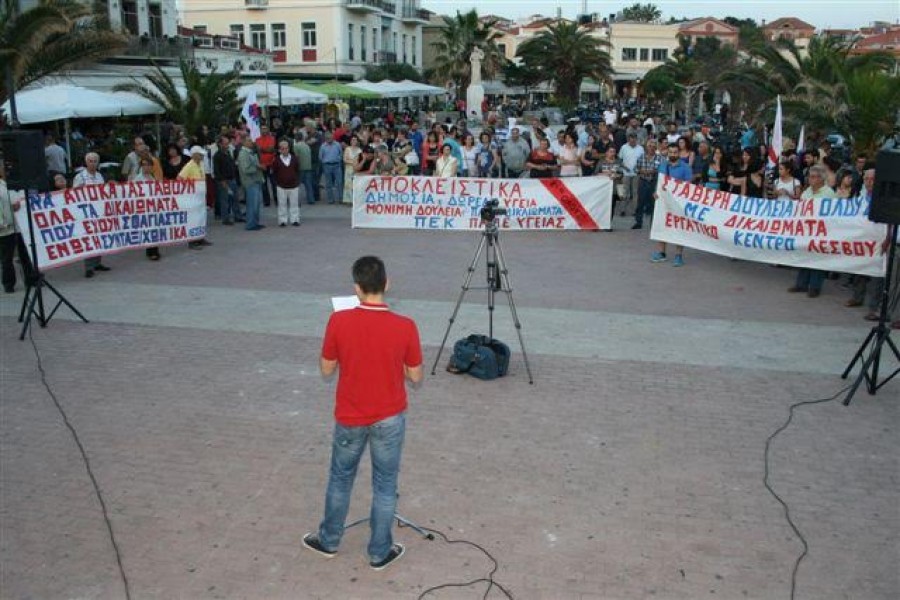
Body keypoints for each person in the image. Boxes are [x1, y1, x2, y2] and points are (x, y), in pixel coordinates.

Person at [303, 256, 423, 571]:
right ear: (387, 284)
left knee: (340, 479)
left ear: (356, 288)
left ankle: (328, 541)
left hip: (350, 416)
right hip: (389, 416)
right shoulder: (405, 326)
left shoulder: (339, 321)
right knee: (385, 484)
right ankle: (379, 551)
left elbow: (327, 369)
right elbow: (416, 377)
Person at [789, 165, 835, 298]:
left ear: (821, 179)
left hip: (821, 230)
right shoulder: (807, 192)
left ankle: (815, 287)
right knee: (805, 256)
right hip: (806, 230)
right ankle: (801, 284)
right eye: (810, 176)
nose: (811, 179)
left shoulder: (829, 193)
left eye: (814, 177)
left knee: (817, 258)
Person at [651, 145, 693, 266]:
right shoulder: (663, 165)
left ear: (679, 153)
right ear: (668, 153)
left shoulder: (686, 168)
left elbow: (688, 186)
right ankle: (661, 253)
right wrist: (656, 192)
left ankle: (678, 255)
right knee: (662, 225)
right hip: (663, 200)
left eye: (675, 152)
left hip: (678, 203)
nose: (673, 154)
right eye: (671, 152)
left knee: (679, 228)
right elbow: (659, 182)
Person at [73, 152, 111, 276]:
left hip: (99, 211)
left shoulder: (100, 176)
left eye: (95, 161)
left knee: (99, 237)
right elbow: (73, 194)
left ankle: (97, 262)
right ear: (86, 162)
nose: (93, 163)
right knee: (89, 238)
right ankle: (88, 267)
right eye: (90, 161)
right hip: (87, 212)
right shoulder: (80, 177)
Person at [0, 161, 35, 293]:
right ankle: (8, 284)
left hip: (21, 226)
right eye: (5, 169)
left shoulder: (18, 185)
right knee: (7, 258)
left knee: (25, 254)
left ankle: (31, 279)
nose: (8, 171)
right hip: (6, 227)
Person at [178, 146, 214, 248]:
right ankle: (192, 241)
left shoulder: (200, 164)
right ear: (194, 155)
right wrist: (189, 188)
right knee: (193, 218)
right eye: (200, 154)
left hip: (200, 196)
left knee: (201, 217)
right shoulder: (189, 165)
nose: (202, 156)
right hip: (192, 197)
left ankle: (200, 237)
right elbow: (180, 178)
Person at [132, 157, 162, 260]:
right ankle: (152, 252)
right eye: (144, 165)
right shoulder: (138, 178)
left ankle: (153, 250)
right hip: (144, 208)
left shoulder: (152, 177)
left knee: (154, 229)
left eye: (148, 165)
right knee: (148, 229)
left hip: (152, 207)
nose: (146, 167)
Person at [237, 138, 266, 231]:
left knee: (256, 204)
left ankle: (255, 222)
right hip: (250, 182)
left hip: (256, 180)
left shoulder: (250, 152)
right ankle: (250, 224)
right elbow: (245, 169)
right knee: (252, 204)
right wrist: (258, 167)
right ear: (244, 142)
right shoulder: (243, 154)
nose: (251, 142)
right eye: (249, 141)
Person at [272, 139, 302, 227]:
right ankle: (282, 220)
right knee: (282, 204)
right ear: (279, 150)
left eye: (286, 148)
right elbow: (274, 172)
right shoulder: (276, 160)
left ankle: (295, 219)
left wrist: (297, 180)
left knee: (294, 203)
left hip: (293, 185)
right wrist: (277, 183)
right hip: (281, 186)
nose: (285, 150)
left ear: (289, 149)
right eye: (283, 148)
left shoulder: (294, 158)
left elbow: (297, 170)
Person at [632, 139, 661, 230]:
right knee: (640, 203)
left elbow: (660, 170)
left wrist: (651, 171)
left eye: (653, 146)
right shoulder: (641, 157)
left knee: (653, 203)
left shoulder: (659, 158)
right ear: (646, 147)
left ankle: (653, 224)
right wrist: (641, 171)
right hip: (643, 181)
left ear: (656, 148)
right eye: (650, 146)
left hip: (654, 182)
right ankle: (638, 222)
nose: (651, 148)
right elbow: (635, 169)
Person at [213, 135, 241, 225]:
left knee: (235, 199)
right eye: (225, 144)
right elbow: (217, 171)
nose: (227, 145)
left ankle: (237, 216)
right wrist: (222, 181)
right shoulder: (217, 156)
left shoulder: (228, 152)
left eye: (227, 143)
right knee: (225, 200)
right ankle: (225, 218)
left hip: (232, 178)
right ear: (220, 144)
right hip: (224, 180)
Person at [319, 131, 343, 204]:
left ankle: (341, 199)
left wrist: (338, 159)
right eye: (327, 138)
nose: (329, 139)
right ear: (325, 139)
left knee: (339, 182)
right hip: (327, 166)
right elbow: (320, 157)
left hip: (337, 165)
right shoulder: (323, 146)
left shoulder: (337, 144)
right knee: (328, 183)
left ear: (333, 138)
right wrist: (325, 161)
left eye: (330, 138)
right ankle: (330, 200)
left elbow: (341, 153)